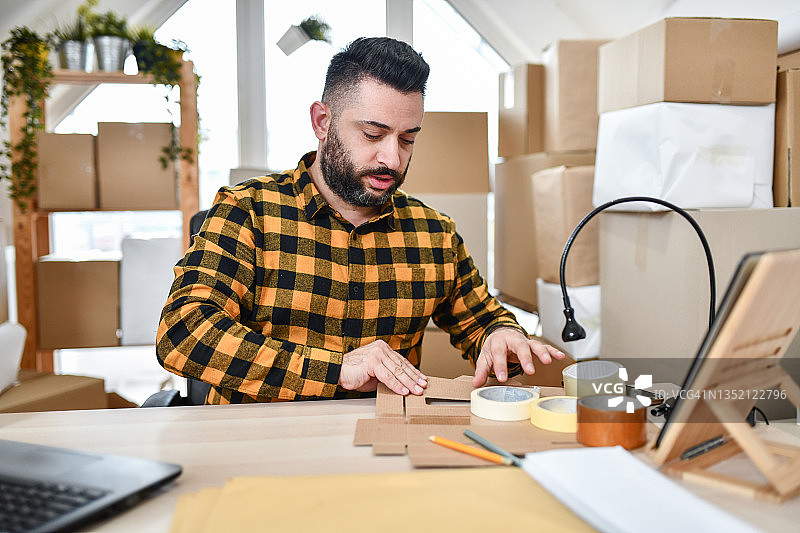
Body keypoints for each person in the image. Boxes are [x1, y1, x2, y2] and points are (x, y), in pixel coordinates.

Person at [156, 36, 564, 404]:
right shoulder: (248, 211)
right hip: (261, 448)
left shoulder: (434, 233)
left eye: (408, 139)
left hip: (383, 445)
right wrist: (337, 370)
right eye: (373, 134)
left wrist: (501, 337)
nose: (393, 158)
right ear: (321, 122)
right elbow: (183, 333)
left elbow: (483, 320)